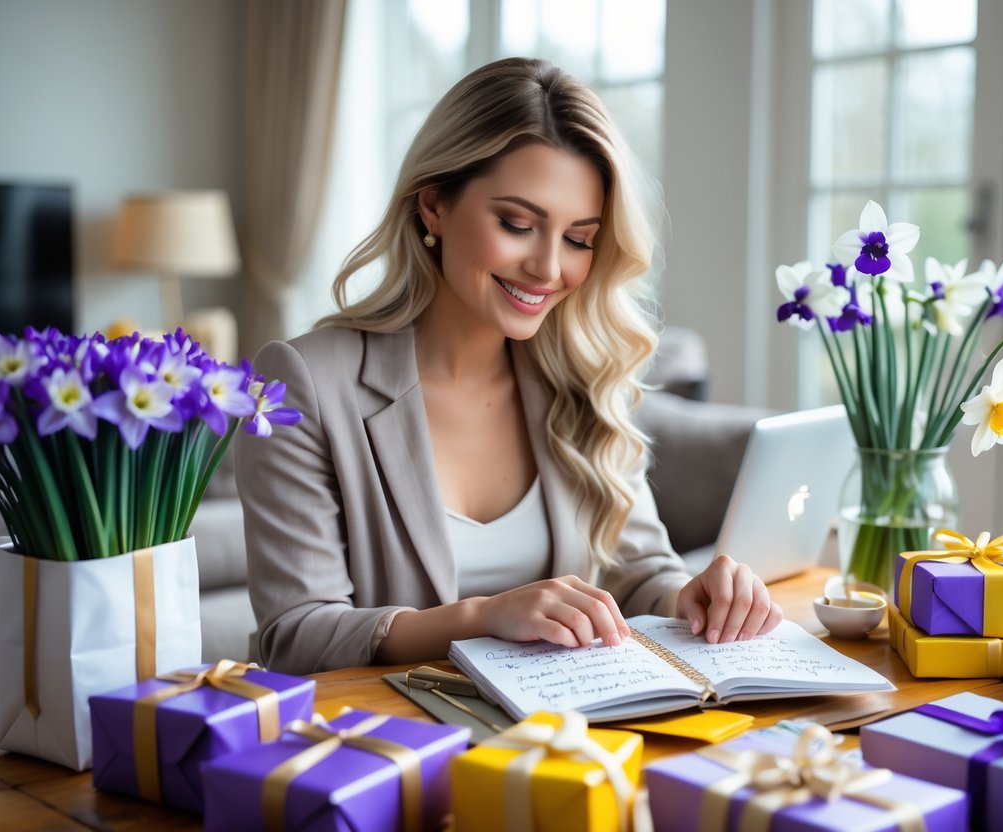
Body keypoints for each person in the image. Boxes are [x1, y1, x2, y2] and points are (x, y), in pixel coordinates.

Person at [236, 57, 783, 675]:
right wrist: (482, 617)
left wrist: (691, 598)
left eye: (579, 238)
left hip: (566, 744)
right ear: (434, 205)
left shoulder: (581, 377)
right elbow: (296, 635)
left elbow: (640, 573)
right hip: (402, 748)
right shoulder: (305, 383)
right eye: (518, 224)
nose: (549, 269)